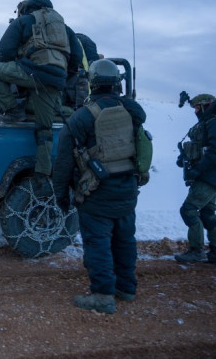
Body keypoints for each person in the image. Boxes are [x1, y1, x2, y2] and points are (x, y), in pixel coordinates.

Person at [52, 59, 146, 314]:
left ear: (92, 84)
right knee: (125, 241)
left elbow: (63, 162)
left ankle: (103, 296)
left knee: (98, 244)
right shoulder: (132, 112)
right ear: (117, 83)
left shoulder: (80, 118)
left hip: (95, 193)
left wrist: (61, 195)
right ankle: (126, 288)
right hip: (128, 190)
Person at [0, 0, 82, 181]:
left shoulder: (25, 20)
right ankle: (42, 177)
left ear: (27, 8)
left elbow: (5, 48)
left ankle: (12, 110)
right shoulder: (65, 28)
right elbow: (77, 57)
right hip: (56, 79)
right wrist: (62, 79)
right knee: (45, 128)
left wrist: (14, 70)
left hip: (31, 72)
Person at [174, 94, 216, 267]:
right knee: (207, 214)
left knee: (189, 209)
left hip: (209, 176)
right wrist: (184, 158)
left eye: (198, 107)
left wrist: (198, 170)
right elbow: (201, 148)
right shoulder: (208, 122)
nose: (195, 111)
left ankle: (196, 250)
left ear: (207, 106)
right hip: (208, 175)